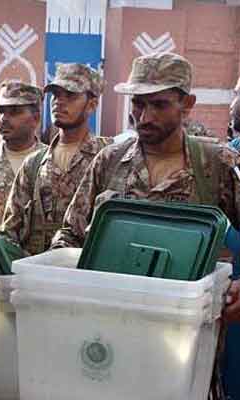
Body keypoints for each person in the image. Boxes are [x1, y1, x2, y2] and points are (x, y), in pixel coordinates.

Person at [50, 54, 240, 399]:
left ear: (187, 105)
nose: (145, 116)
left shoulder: (215, 166)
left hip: (188, 351)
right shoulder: (109, 161)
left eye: (159, 104)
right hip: (109, 344)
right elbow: (68, 235)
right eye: (138, 103)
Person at [0, 63, 112, 256]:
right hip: (34, 274)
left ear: (91, 105)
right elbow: (9, 231)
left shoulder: (108, 157)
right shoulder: (34, 163)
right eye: (56, 95)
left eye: (71, 96)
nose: (59, 102)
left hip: (83, 274)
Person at [0, 81, 47, 235]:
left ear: (36, 119)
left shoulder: (50, 162)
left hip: (35, 258)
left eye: (14, 112)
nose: (3, 119)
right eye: (0, 111)